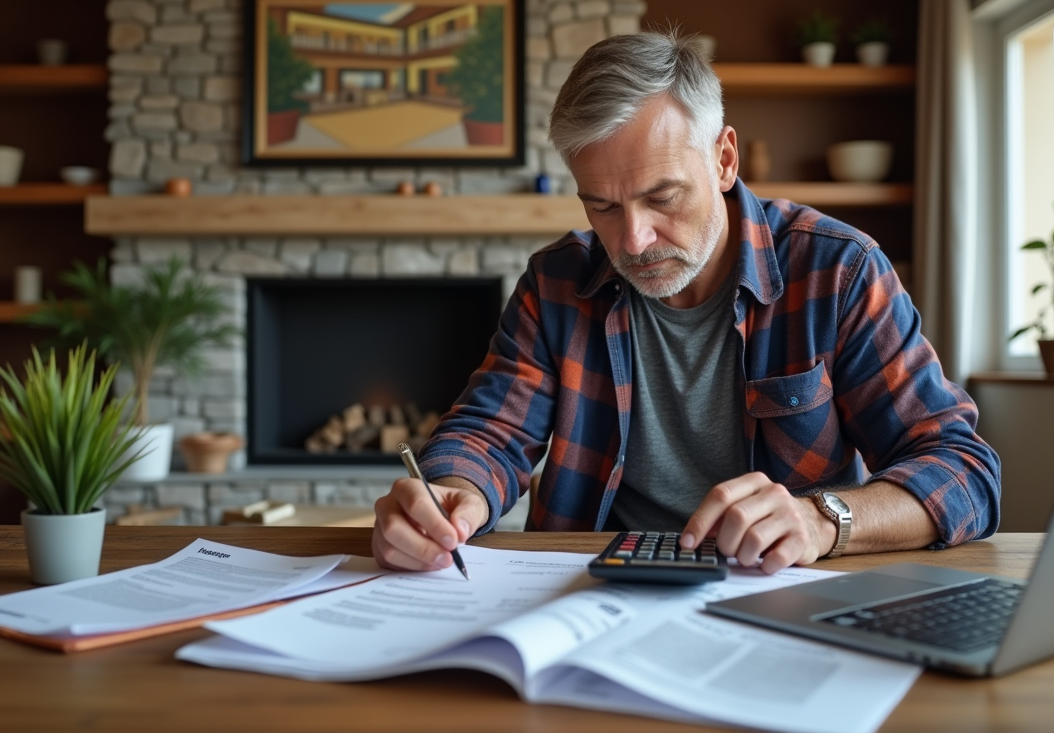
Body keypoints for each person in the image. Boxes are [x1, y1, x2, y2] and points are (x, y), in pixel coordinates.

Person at [373, 31, 1001, 575]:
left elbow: (963, 469)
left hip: (774, 592)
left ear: (724, 159)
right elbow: (492, 432)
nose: (633, 240)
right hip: (591, 590)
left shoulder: (837, 270)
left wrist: (822, 520)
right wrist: (453, 496)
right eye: (603, 206)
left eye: (663, 197)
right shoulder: (556, 281)